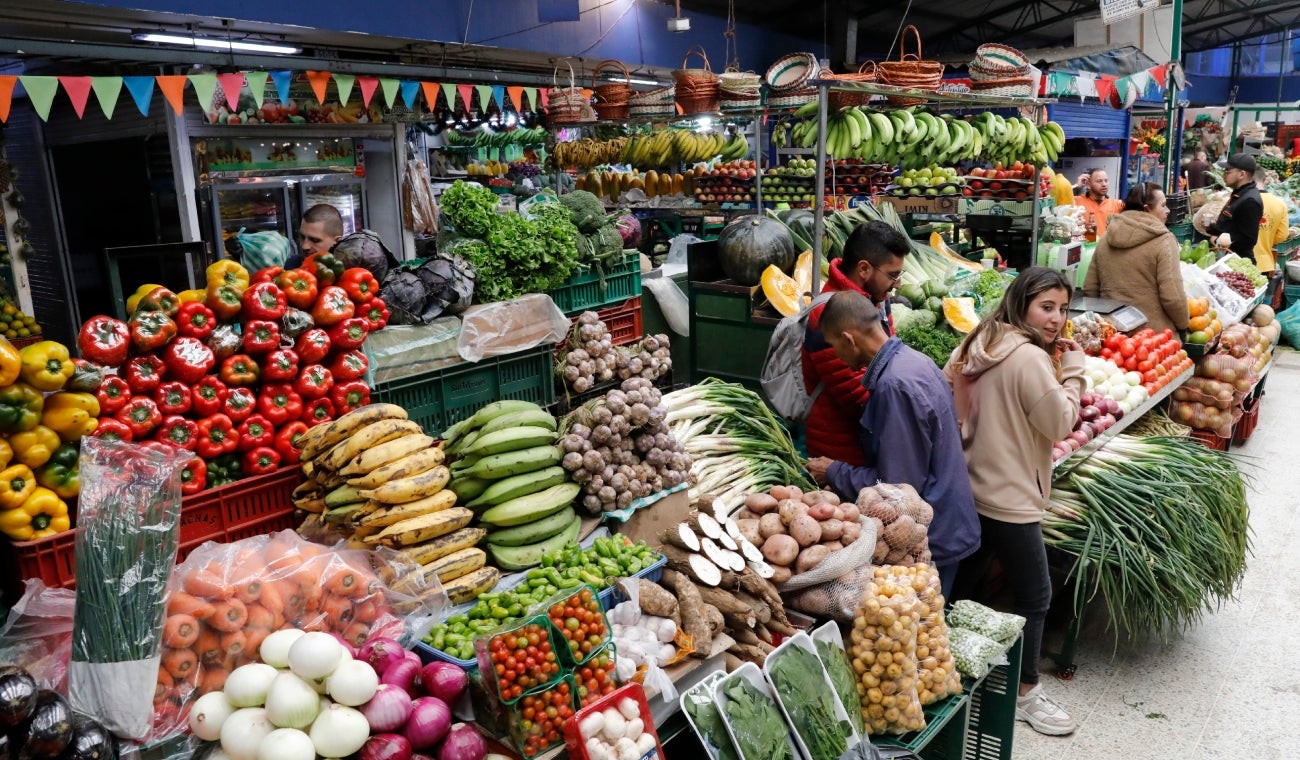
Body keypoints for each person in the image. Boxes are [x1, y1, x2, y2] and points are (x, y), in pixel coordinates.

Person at [943, 267, 1085, 737]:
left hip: (972, 486)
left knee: (967, 580)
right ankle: (1026, 693)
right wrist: (1076, 373)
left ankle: (950, 665)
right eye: (1047, 307)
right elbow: (1061, 423)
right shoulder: (1027, 359)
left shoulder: (980, 339)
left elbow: (949, 388)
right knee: (1036, 595)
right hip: (1011, 496)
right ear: (1022, 303)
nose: (1057, 320)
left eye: (1063, 309)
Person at [805, 291, 980, 597]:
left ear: (849, 338)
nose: (837, 356)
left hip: (934, 535)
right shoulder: (913, 361)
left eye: (834, 346)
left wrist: (833, 471)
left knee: (927, 633)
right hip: (950, 518)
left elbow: (900, 490)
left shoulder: (893, 386)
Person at [800, 221, 909, 466]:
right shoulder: (829, 316)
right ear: (864, 269)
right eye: (892, 275)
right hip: (841, 453)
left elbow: (888, 357)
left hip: (866, 442)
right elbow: (858, 397)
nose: (898, 283)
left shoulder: (877, 298)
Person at [1082, 182, 1190, 334]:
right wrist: (1184, 325)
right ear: (1147, 208)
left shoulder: (1106, 237)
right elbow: (1173, 297)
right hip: (1153, 339)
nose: (1167, 210)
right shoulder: (1164, 240)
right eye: (1163, 205)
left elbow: (1090, 289)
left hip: (1113, 334)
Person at [1207, 153, 1264, 264]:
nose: (1224, 175)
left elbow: (1248, 239)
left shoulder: (1250, 201)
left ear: (1242, 174)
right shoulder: (1240, 193)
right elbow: (1234, 225)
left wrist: (1219, 241)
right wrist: (1215, 227)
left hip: (1235, 261)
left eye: (1228, 171)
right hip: (1226, 257)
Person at [1254, 168, 1288, 277]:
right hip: (1265, 263)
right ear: (1265, 181)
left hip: (1238, 260)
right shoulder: (1280, 204)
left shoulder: (1241, 199)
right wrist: (1267, 238)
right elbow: (1283, 235)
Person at [1074, 170, 1124, 243]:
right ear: (1088, 185)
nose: (1104, 184)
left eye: (1106, 181)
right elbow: (1058, 201)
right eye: (1099, 181)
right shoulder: (1077, 201)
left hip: (1107, 249)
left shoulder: (1117, 204)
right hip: (1086, 248)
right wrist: (1077, 186)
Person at [289, 204, 345, 269]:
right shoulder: (291, 266)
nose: (304, 246)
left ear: (337, 242)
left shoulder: (351, 271)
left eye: (314, 240)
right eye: (302, 237)